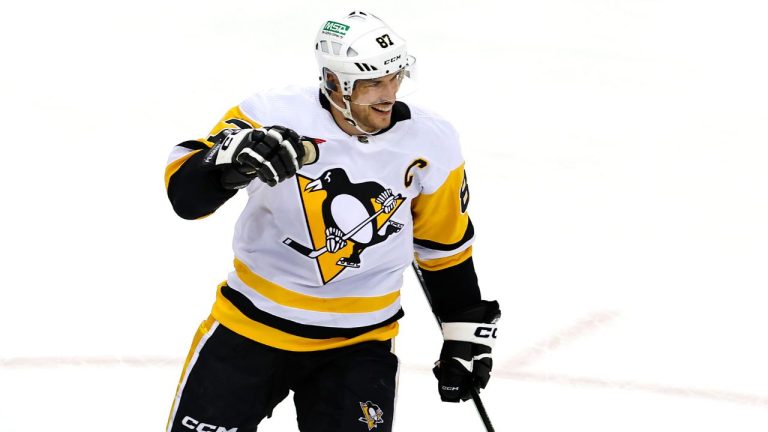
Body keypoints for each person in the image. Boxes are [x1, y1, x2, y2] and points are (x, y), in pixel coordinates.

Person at [164, 11, 500, 432]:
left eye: (395, 77)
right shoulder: (268, 114)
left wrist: (463, 335)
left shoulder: (431, 141)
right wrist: (232, 162)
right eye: (372, 82)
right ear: (335, 82)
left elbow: (442, 244)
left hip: (358, 346)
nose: (388, 94)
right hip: (249, 330)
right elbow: (186, 198)